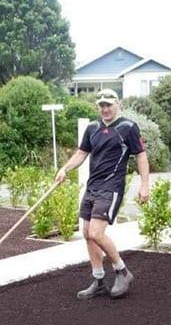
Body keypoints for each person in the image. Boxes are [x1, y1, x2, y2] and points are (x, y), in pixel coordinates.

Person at [54, 88, 150, 298]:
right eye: (102, 105)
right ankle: (98, 280)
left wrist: (145, 185)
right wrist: (64, 169)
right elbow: (81, 154)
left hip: (111, 187)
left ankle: (122, 271)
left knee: (97, 233)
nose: (105, 109)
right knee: (87, 233)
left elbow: (140, 157)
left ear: (118, 105)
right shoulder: (92, 128)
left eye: (109, 104)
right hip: (92, 187)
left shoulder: (128, 127)